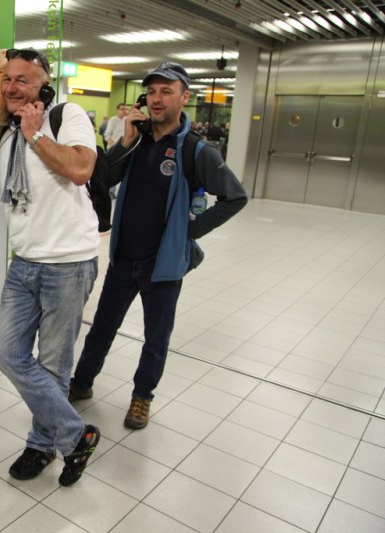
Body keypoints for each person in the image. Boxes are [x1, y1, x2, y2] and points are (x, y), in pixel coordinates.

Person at [0, 48, 101, 487]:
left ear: (45, 87)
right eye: (7, 79)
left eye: (23, 80)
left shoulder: (66, 116)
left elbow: (81, 169)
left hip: (68, 263)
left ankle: (40, 445)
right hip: (24, 262)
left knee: (53, 365)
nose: (13, 87)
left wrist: (35, 135)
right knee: (8, 354)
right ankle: (77, 434)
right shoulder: (4, 129)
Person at [69, 61, 248, 430]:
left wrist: (189, 232)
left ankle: (142, 397)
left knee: (156, 337)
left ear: (184, 98)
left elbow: (235, 197)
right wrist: (125, 140)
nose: (156, 98)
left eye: (166, 91)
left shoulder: (196, 150)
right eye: (151, 91)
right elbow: (103, 179)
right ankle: (82, 382)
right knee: (102, 327)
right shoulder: (135, 142)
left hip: (163, 264)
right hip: (123, 257)